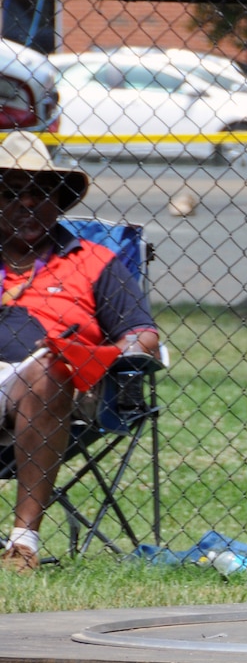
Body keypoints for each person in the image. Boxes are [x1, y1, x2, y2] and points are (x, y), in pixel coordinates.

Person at [0, 131, 162, 572]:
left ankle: (23, 543)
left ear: (58, 201)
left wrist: (99, 352)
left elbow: (143, 335)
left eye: (39, 194)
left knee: (49, 369)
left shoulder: (93, 261)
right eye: (12, 193)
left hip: (53, 387)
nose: (27, 205)